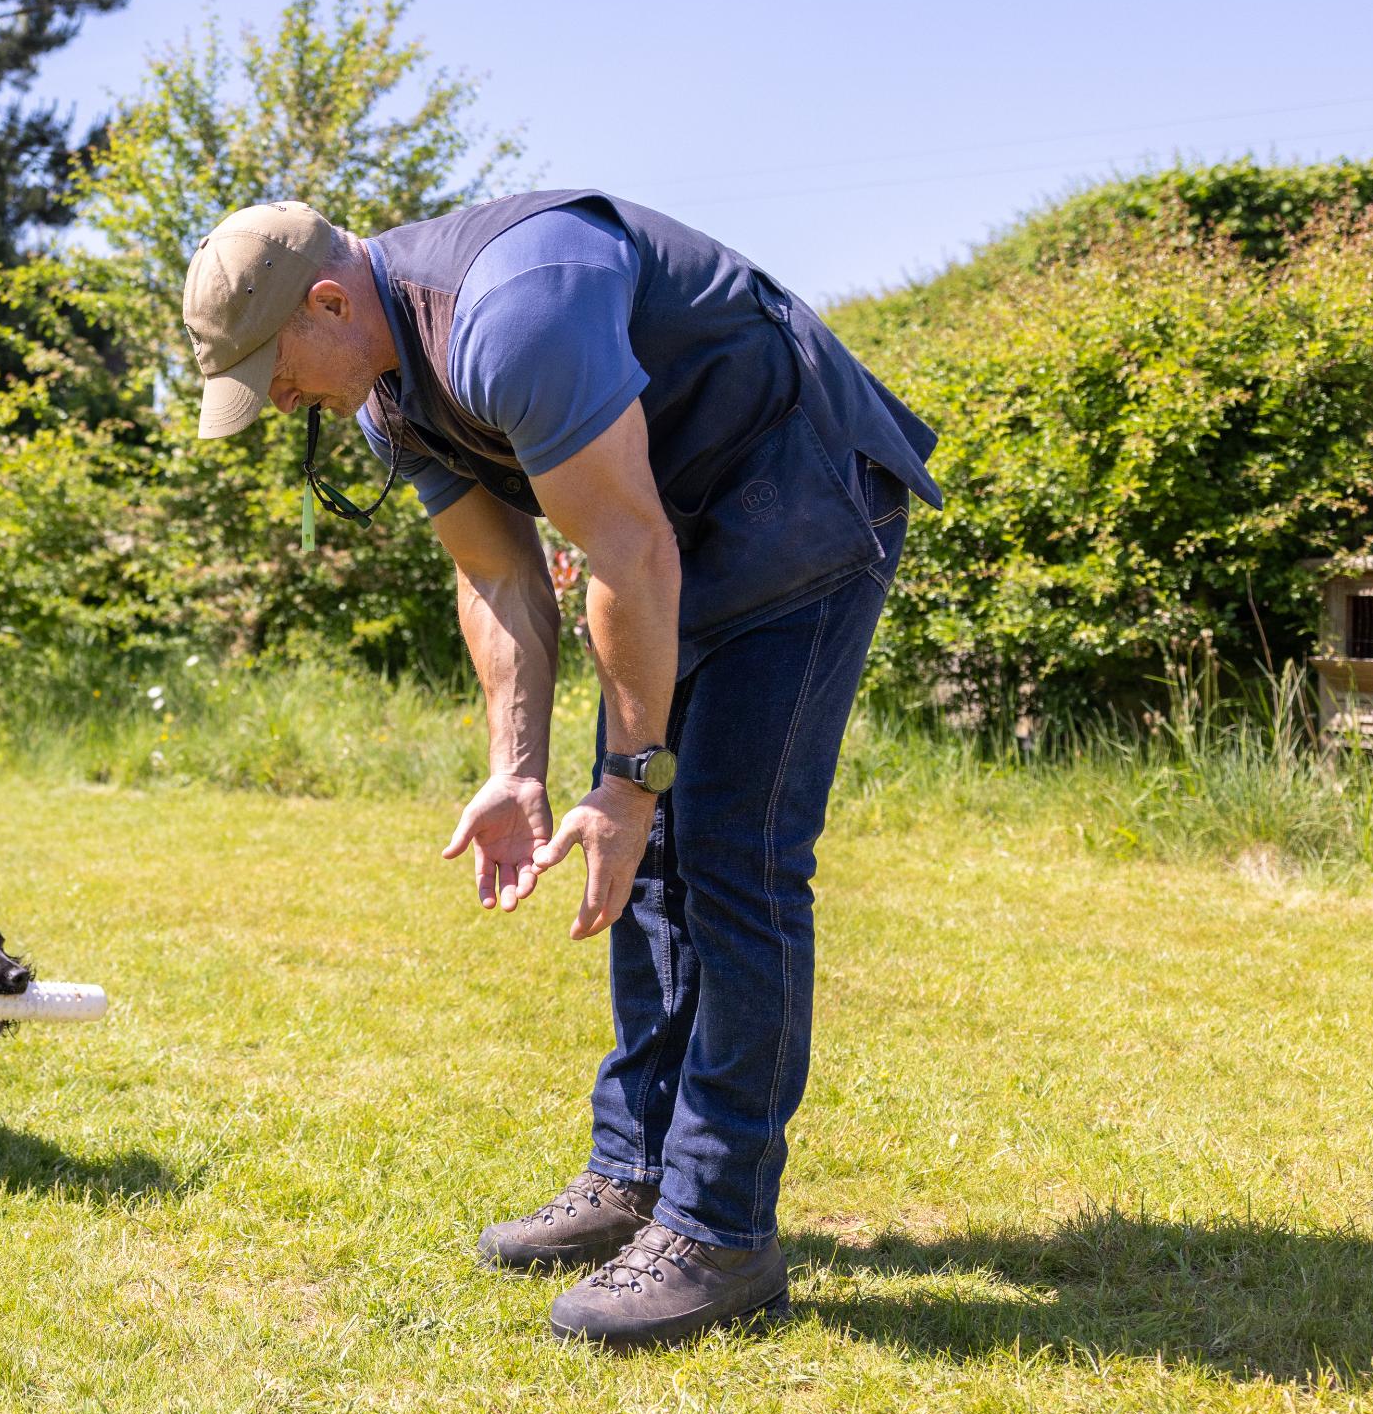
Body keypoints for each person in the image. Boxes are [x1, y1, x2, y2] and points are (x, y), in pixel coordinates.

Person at [179, 192, 941, 1350]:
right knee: (627, 868)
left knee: (731, 860)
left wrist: (630, 781)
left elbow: (623, 548)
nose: (275, 404)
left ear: (328, 303)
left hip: (792, 505)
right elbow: (500, 575)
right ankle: (635, 1172)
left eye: (269, 370)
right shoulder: (390, 392)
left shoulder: (513, 314)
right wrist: (519, 768)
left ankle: (719, 1230)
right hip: (660, 541)